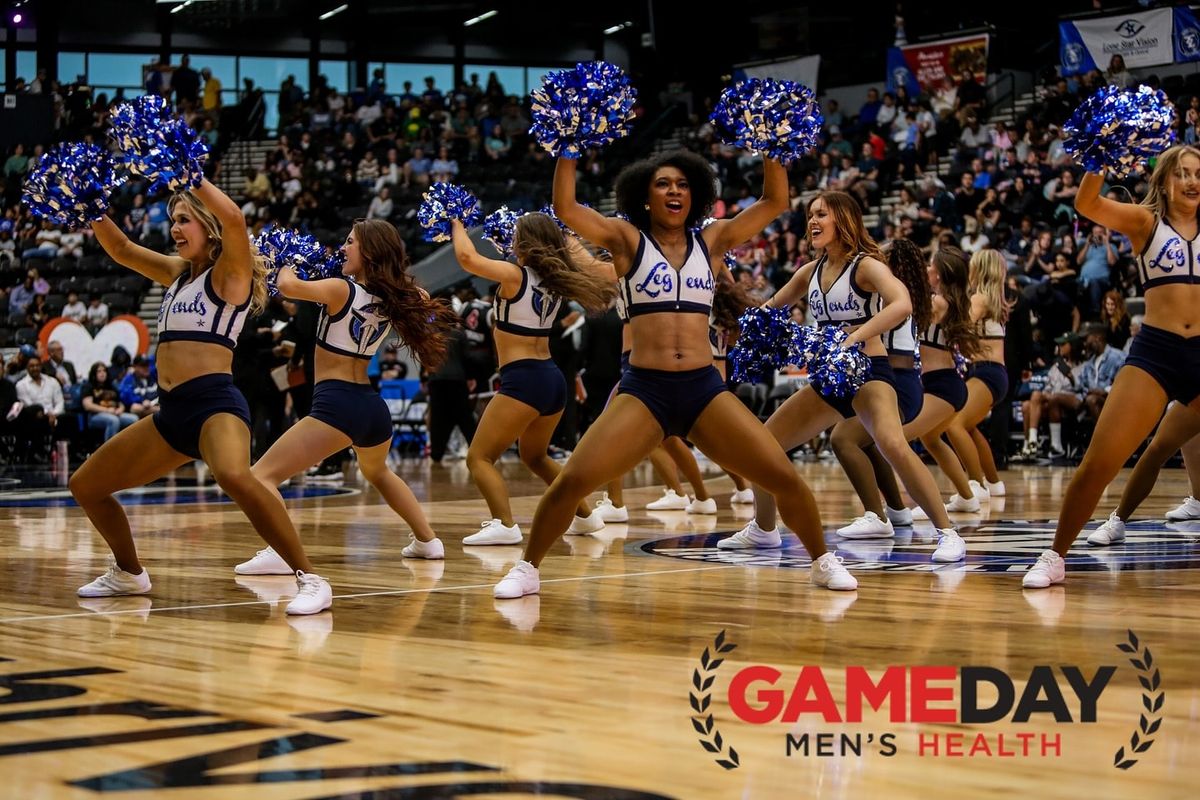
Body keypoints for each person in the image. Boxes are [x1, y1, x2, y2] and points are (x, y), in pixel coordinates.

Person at [493, 150, 858, 598]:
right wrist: (569, 147)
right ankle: (527, 568)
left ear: (696, 194)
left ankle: (822, 561)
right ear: (645, 196)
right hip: (647, 391)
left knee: (782, 476)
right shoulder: (626, 239)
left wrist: (771, 145)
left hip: (704, 389)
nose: (674, 191)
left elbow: (774, 202)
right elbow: (567, 209)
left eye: (683, 185)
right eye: (663, 183)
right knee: (573, 481)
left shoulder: (714, 240)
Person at [71, 179, 331, 616]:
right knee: (86, 486)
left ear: (209, 227)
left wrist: (192, 179)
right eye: (173, 219)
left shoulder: (230, 273)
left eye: (184, 219)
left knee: (232, 474)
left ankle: (310, 578)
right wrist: (91, 204)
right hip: (170, 415)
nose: (175, 228)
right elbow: (122, 250)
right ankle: (129, 573)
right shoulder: (177, 275)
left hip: (215, 405)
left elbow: (235, 218)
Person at [725, 193, 967, 562]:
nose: (812, 221)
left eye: (821, 214)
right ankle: (764, 529)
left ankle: (947, 533)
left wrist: (853, 337)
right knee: (764, 444)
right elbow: (766, 312)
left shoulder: (866, 266)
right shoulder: (809, 272)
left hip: (869, 370)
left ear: (844, 219)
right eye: (809, 216)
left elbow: (901, 303)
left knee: (891, 444)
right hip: (829, 375)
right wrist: (729, 299)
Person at [234, 219, 457, 574]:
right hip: (371, 407)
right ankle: (428, 541)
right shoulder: (390, 299)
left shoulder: (342, 289)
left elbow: (288, 285)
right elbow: (423, 298)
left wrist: (286, 254)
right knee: (379, 472)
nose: (342, 247)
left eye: (350, 242)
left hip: (336, 405)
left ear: (368, 251)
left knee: (259, 476)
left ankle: (280, 553)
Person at [1025, 144, 1200, 588]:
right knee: (1100, 462)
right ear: (1163, 180)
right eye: (1182, 173)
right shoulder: (1146, 222)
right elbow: (1086, 204)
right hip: (1158, 352)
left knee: (1163, 448)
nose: (1192, 181)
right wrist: (1100, 156)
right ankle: (1054, 555)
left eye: (1198, 173)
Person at [450, 213, 614, 545]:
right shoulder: (556, 283)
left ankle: (504, 525)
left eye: (515, 238)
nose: (511, 243)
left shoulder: (515, 276)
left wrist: (456, 224)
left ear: (524, 244)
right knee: (535, 456)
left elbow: (467, 258)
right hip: (551, 379)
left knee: (478, 457)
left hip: (522, 380)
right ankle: (585, 516)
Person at [943, 249, 1010, 504]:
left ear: (979, 270)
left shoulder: (979, 299)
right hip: (991, 372)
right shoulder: (993, 301)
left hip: (987, 372)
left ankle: (975, 484)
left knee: (953, 424)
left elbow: (957, 328)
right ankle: (993, 483)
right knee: (968, 426)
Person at [81, 362, 138, 442]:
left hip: (113, 412)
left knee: (134, 419)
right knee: (113, 420)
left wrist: (120, 409)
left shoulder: (111, 385)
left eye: (104, 371)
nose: (102, 373)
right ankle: (110, 451)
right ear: (94, 374)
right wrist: (107, 410)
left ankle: (129, 447)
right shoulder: (88, 386)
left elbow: (120, 403)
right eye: (99, 371)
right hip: (95, 416)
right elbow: (88, 405)